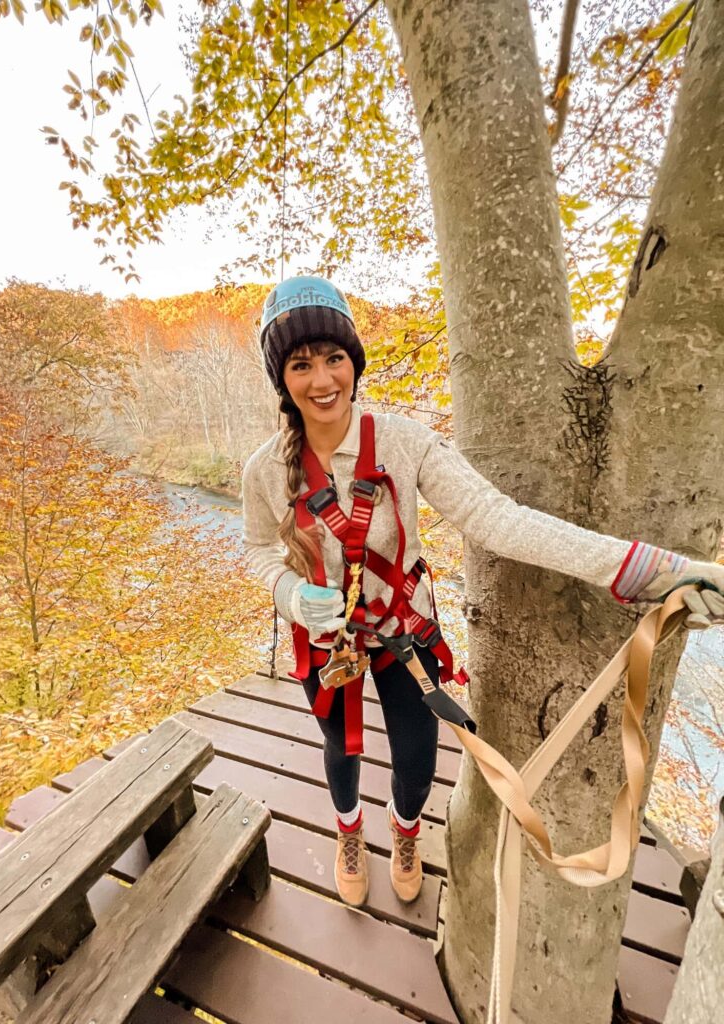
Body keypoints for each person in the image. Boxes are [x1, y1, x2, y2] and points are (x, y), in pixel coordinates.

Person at [242, 274, 724, 909]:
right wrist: (289, 595)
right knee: (342, 744)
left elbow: (499, 519)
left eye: (334, 357)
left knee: (416, 754)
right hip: (327, 644)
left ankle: (406, 832)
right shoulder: (265, 470)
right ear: (283, 379)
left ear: (353, 362)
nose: (323, 379)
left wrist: (646, 569)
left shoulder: (405, 443)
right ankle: (349, 830)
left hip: (404, 633)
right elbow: (255, 552)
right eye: (301, 364)